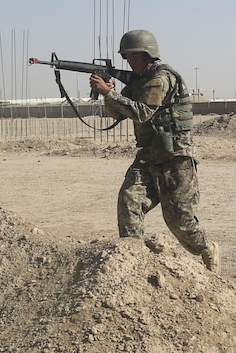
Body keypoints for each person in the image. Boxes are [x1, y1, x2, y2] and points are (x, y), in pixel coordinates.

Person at [89, 30, 220, 273]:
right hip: (149, 154)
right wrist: (109, 93)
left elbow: (141, 112)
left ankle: (207, 249)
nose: (128, 60)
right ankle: (134, 261)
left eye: (132, 55)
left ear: (146, 54)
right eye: (126, 56)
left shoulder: (160, 78)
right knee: (129, 200)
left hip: (175, 155)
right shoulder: (138, 81)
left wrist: (109, 93)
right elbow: (117, 113)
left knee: (179, 220)